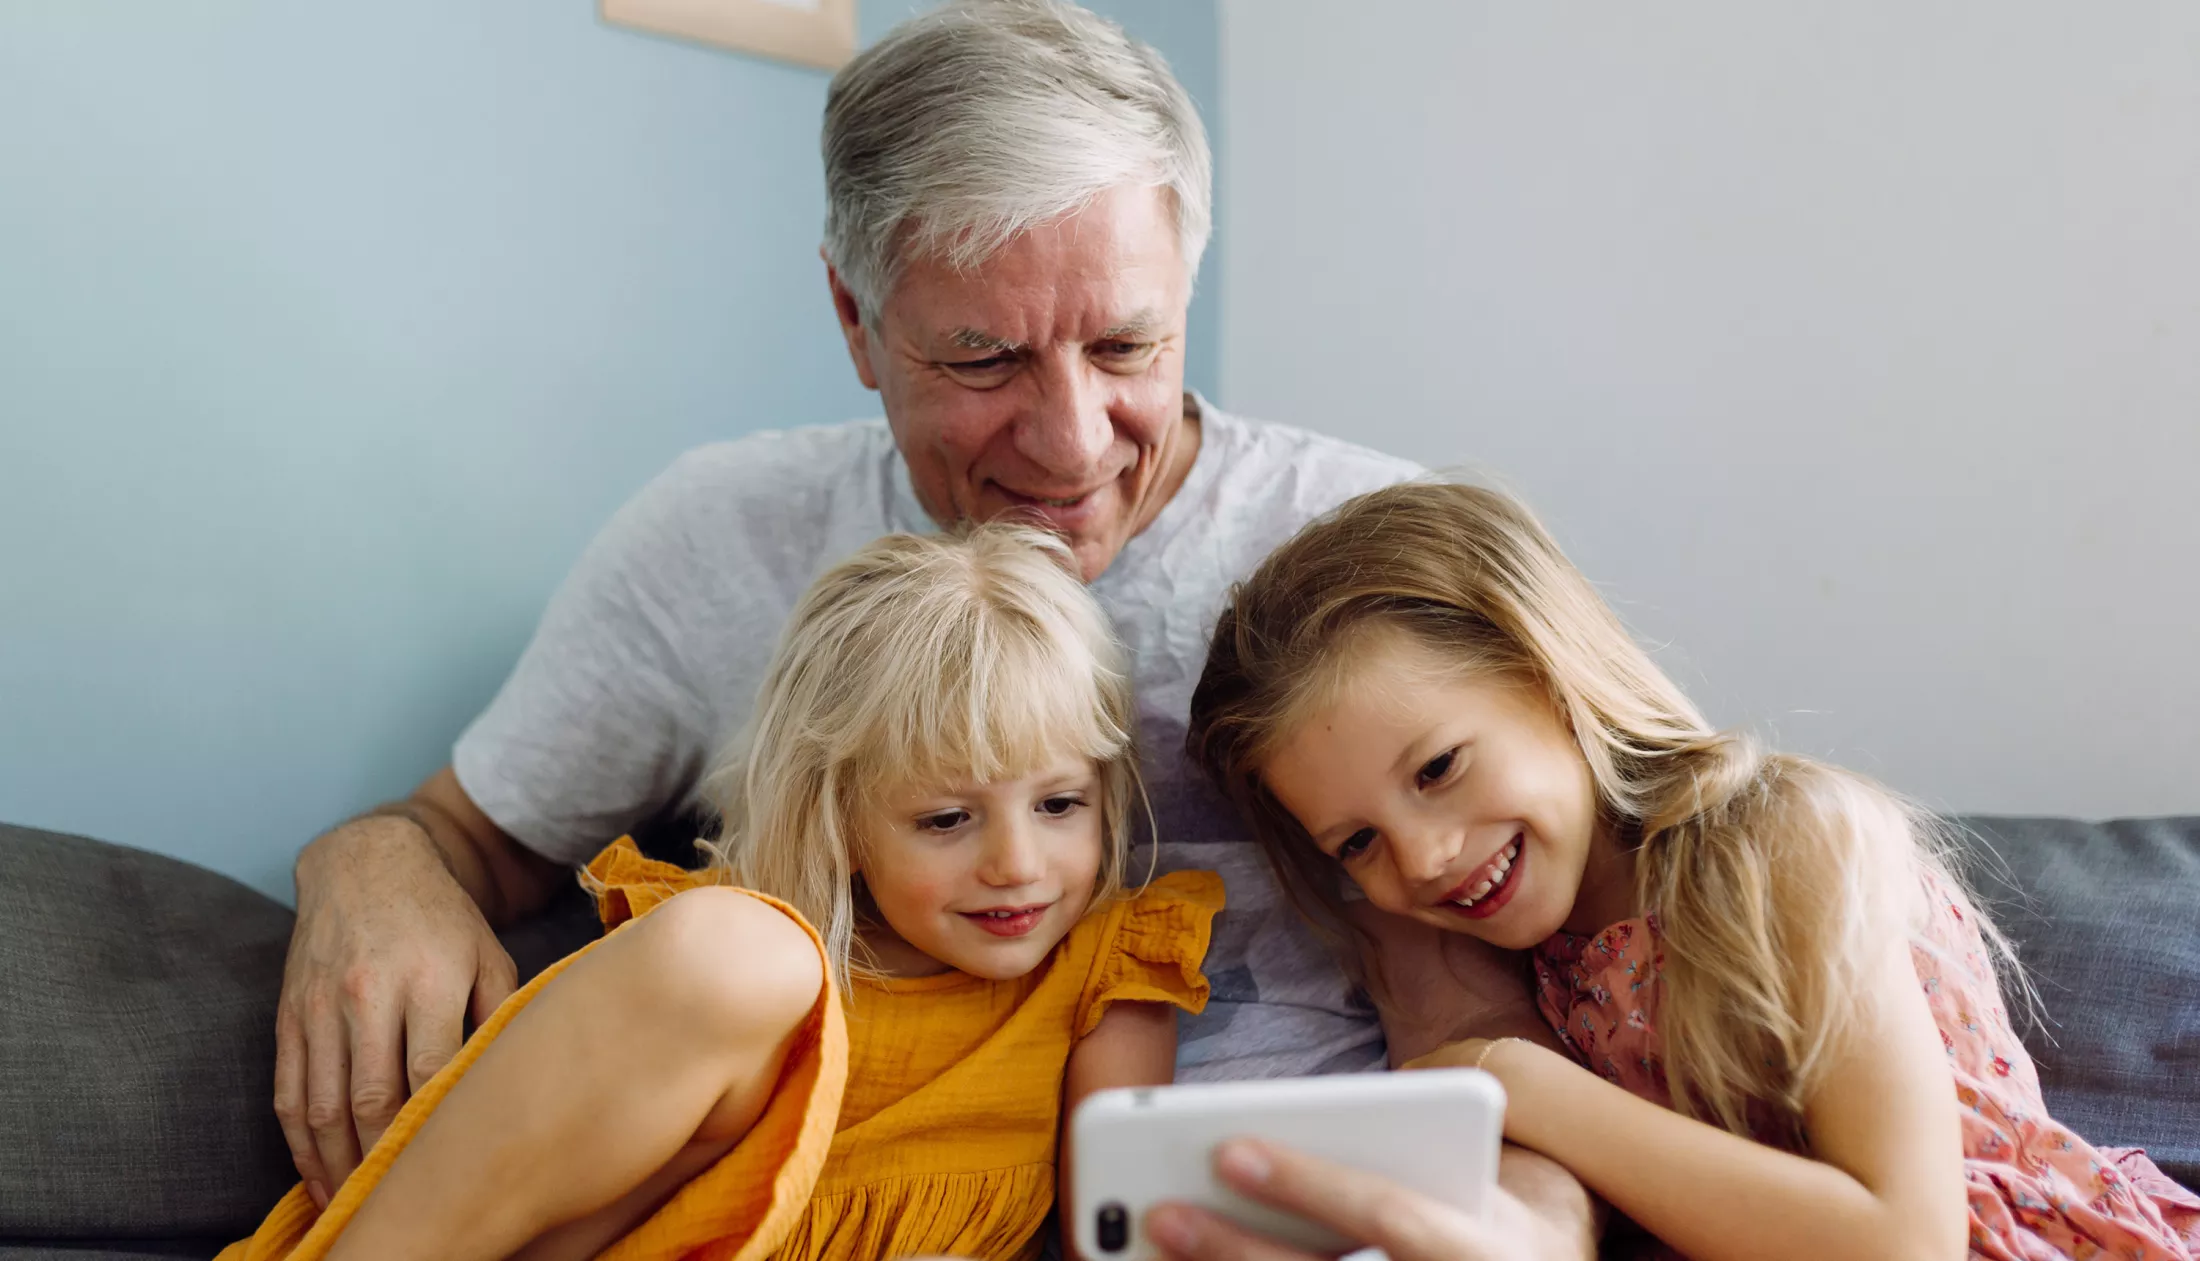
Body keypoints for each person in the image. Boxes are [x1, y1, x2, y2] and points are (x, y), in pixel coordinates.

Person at [269, 2, 1597, 1254]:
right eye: (982, 358)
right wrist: (365, 870)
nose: (1071, 443)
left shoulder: (1362, 554)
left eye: (1125, 347)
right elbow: (467, 837)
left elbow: (1546, 999)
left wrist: (1539, 1227)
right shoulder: (722, 539)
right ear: (856, 320)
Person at [1177, 480, 2200, 1261]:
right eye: (1356, 842)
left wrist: (1517, 1079)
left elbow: (1903, 1241)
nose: (1425, 855)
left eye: (1439, 768)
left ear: (1549, 673)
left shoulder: (1784, 843)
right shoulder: (1531, 957)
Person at [223, 524, 1222, 1260]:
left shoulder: (1106, 966)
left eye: (1059, 803)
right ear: (841, 821)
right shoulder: (748, 955)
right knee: (752, 955)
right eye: (947, 818)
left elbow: (1119, 1235)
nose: (1017, 863)